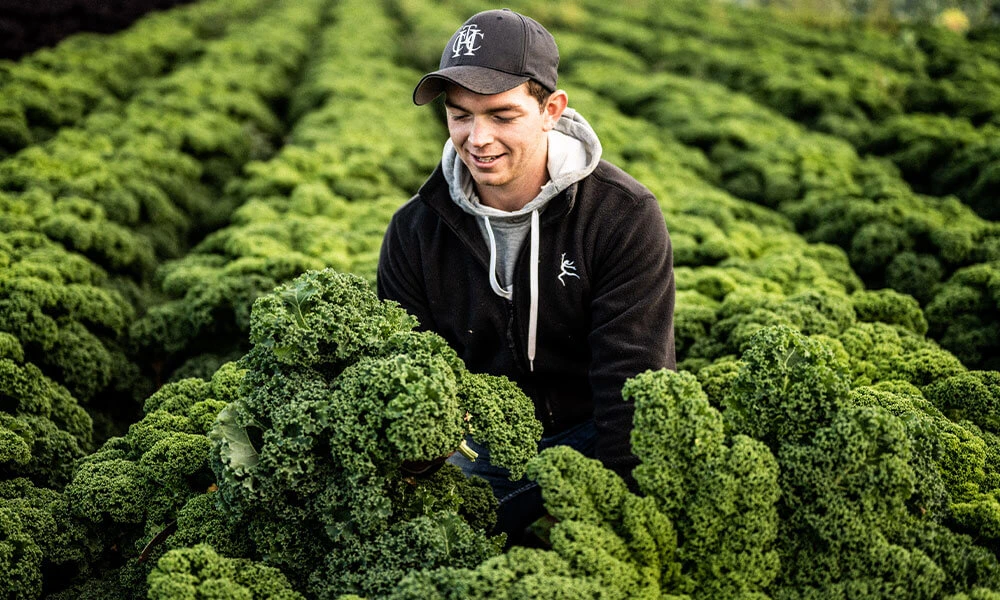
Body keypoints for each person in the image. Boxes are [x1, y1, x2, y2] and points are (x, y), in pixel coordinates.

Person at [377, 8, 675, 544]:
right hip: (476, 443)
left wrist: (609, 511)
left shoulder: (622, 216)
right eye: (460, 114)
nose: (477, 138)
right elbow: (405, 375)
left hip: (591, 431)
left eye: (502, 115)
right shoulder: (414, 230)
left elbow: (630, 384)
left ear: (550, 110)